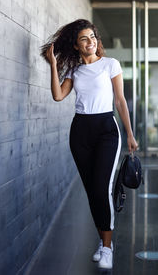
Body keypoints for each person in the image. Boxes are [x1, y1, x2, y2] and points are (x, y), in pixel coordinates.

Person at [40, 19, 138, 270]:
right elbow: (58, 96)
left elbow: (120, 101)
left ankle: (107, 248)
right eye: (84, 38)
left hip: (107, 130)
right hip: (80, 132)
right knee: (92, 191)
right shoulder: (74, 71)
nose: (91, 41)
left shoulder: (110, 64)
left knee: (101, 188)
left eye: (92, 36)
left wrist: (129, 133)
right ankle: (103, 241)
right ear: (76, 45)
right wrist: (53, 65)